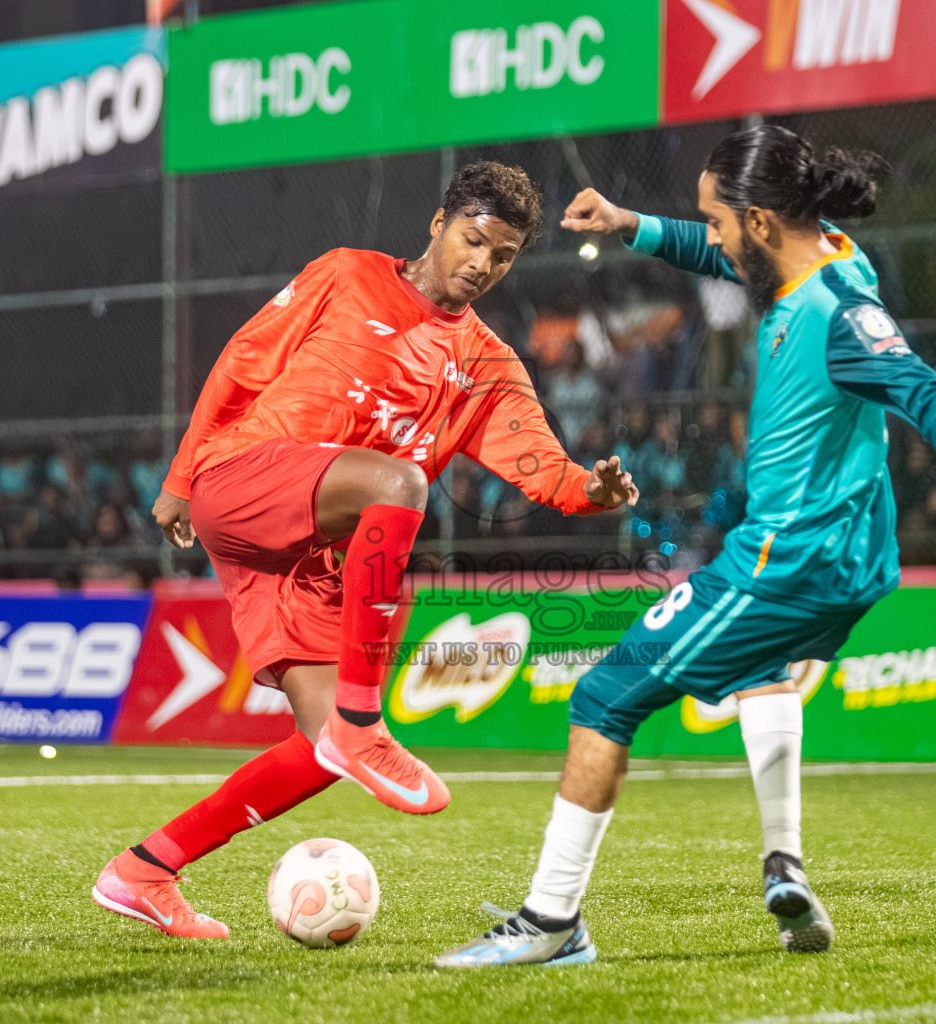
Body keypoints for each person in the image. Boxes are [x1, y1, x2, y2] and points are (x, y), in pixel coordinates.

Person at [436, 126, 936, 967]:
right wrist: (630, 224)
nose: (708, 236)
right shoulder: (827, 252)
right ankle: (784, 863)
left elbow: (914, 383)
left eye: (716, 220)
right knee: (760, 668)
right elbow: (719, 256)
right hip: (850, 559)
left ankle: (550, 922)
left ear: (758, 222)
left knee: (604, 696)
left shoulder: (836, 314)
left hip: (785, 563)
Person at [92, 162, 639, 939]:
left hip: (309, 556)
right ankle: (362, 719)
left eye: (503, 255)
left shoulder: (485, 366)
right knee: (400, 484)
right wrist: (182, 477)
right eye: (473, 239)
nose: (483, 263)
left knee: (320, 750)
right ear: (439, 224)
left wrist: (592, 490)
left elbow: (542, 469)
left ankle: (146, 869)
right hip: (244, 480)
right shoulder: (347, 274)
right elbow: (245, 361)